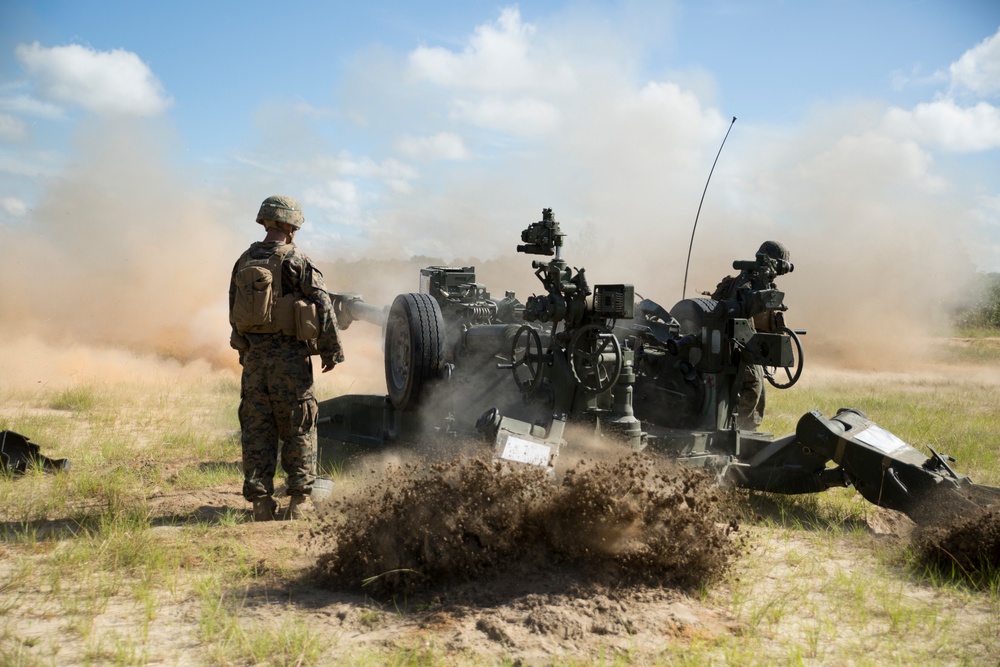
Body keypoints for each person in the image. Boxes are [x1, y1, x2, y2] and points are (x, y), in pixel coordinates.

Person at [229, 195, 344, 521]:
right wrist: (331, 350)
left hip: (255, 365)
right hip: (290, 364)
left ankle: (261, 505)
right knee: (299, 428)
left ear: (266, 222)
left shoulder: (244, 260)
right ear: (291, 226)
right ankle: (300, 503)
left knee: (257, 430)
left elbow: (233, 308)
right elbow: (322, 306)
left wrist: (245, 350)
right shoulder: (297, 261)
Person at [711, 240, 790, 430]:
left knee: (757, 386)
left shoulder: (746, 282)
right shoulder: (751, 284)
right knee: (753, 386)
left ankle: (747, 429)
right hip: (738, 345)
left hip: (740, 344)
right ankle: (737, 431)